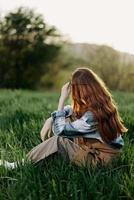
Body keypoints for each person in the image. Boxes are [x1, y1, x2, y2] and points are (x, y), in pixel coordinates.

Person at [0, 67, 128, 169]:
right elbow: (72, 110)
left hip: (99, 162)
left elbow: (60, 130)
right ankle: (46, 154)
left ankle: (19, 164)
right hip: (105, 155)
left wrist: (61, 99)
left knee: (59, 140)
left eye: (74, 89)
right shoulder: (100, 104)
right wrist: (50, 119)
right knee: (67, 119)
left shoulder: (92, 116)